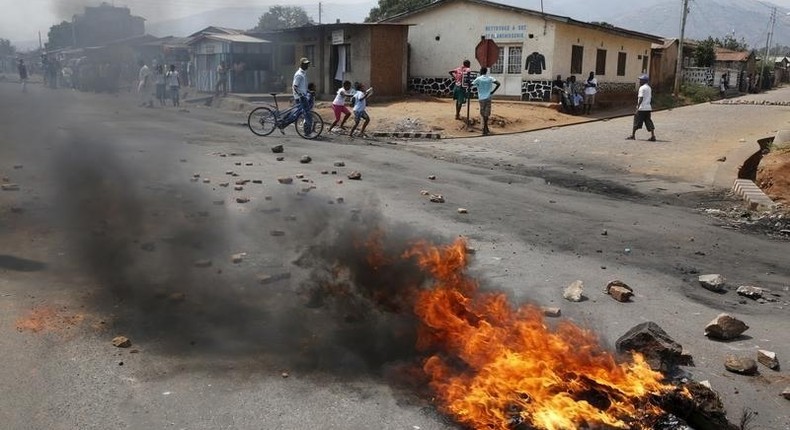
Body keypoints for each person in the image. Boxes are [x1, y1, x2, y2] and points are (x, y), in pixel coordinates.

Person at [471, 67, 500, 136]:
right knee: (487, 113)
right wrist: (492, 91)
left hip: (481, 98)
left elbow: (471, 84)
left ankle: (485, 127)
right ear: (486, 71)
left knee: (482, 113)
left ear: (481, 71)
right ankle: (486, 127)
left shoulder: (478, 79)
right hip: (488, 97)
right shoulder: (490, 78)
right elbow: (498, 83)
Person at [626, 74, 656, 142]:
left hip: (642, 108)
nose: (639, 81)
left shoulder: (642, 88)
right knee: (648, 121)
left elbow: (641, 98)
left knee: (636, 121)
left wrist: (637, 107)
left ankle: (633, 135)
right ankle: (653, 136)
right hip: (648, 108)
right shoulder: (649, 88)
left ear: (643, 81)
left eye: (641, 80)